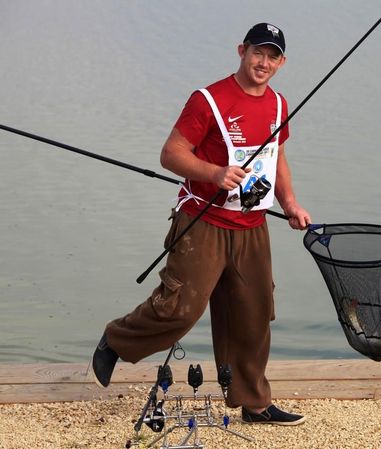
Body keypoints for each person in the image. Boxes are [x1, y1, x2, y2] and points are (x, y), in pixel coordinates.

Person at [91, 22, 311, 426]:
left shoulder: (279, 106)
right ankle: (116, 340)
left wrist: (291, 203)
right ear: (241, 50)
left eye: (273, 56)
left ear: (282, 63)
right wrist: (213, 173)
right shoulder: (208, 100)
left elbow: (276, 158)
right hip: (202, 222)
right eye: (257, 52)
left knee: (253, 313)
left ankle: (254, 403)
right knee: (179, 310)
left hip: (251, 226)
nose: (264, 62)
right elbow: (171, 154)